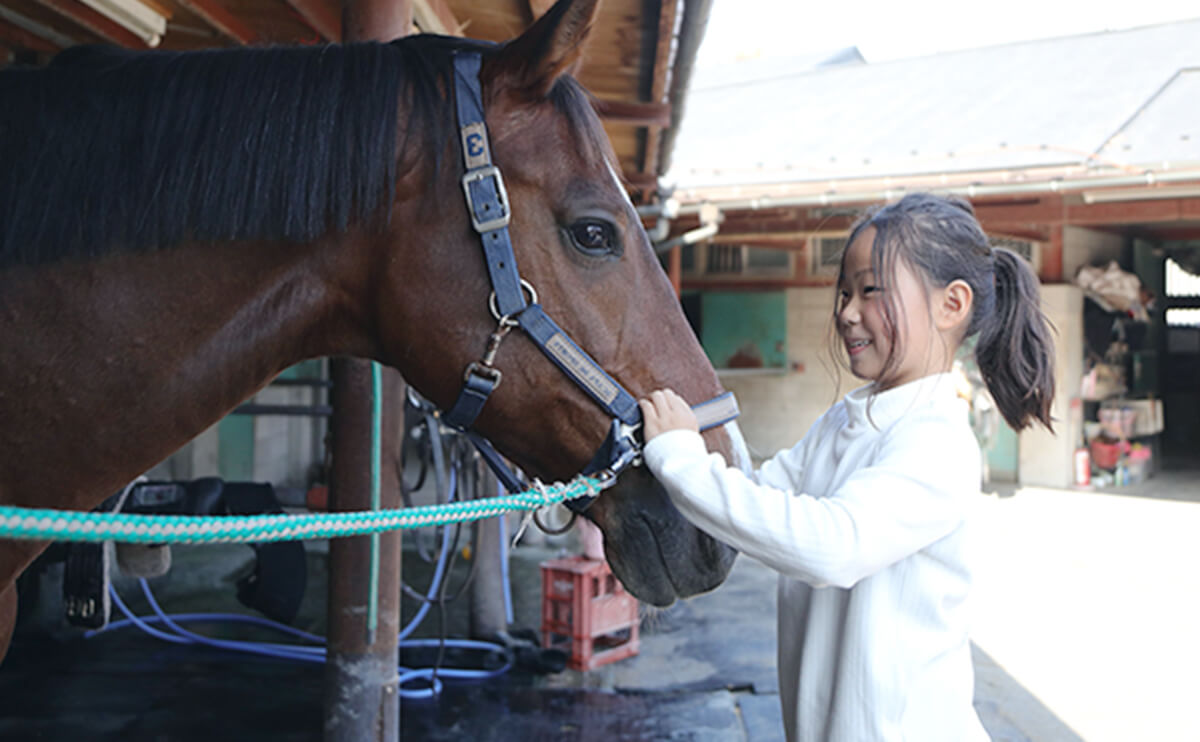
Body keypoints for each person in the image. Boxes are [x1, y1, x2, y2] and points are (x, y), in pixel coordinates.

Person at [639, 193, 1055, 742]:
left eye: (870, 291)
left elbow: (832, 546)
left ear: (950, 305)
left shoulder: (937, 440)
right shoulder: (845, 421)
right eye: (844, 292)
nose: (846, 312)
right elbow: (756, 499)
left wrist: (681, 461)